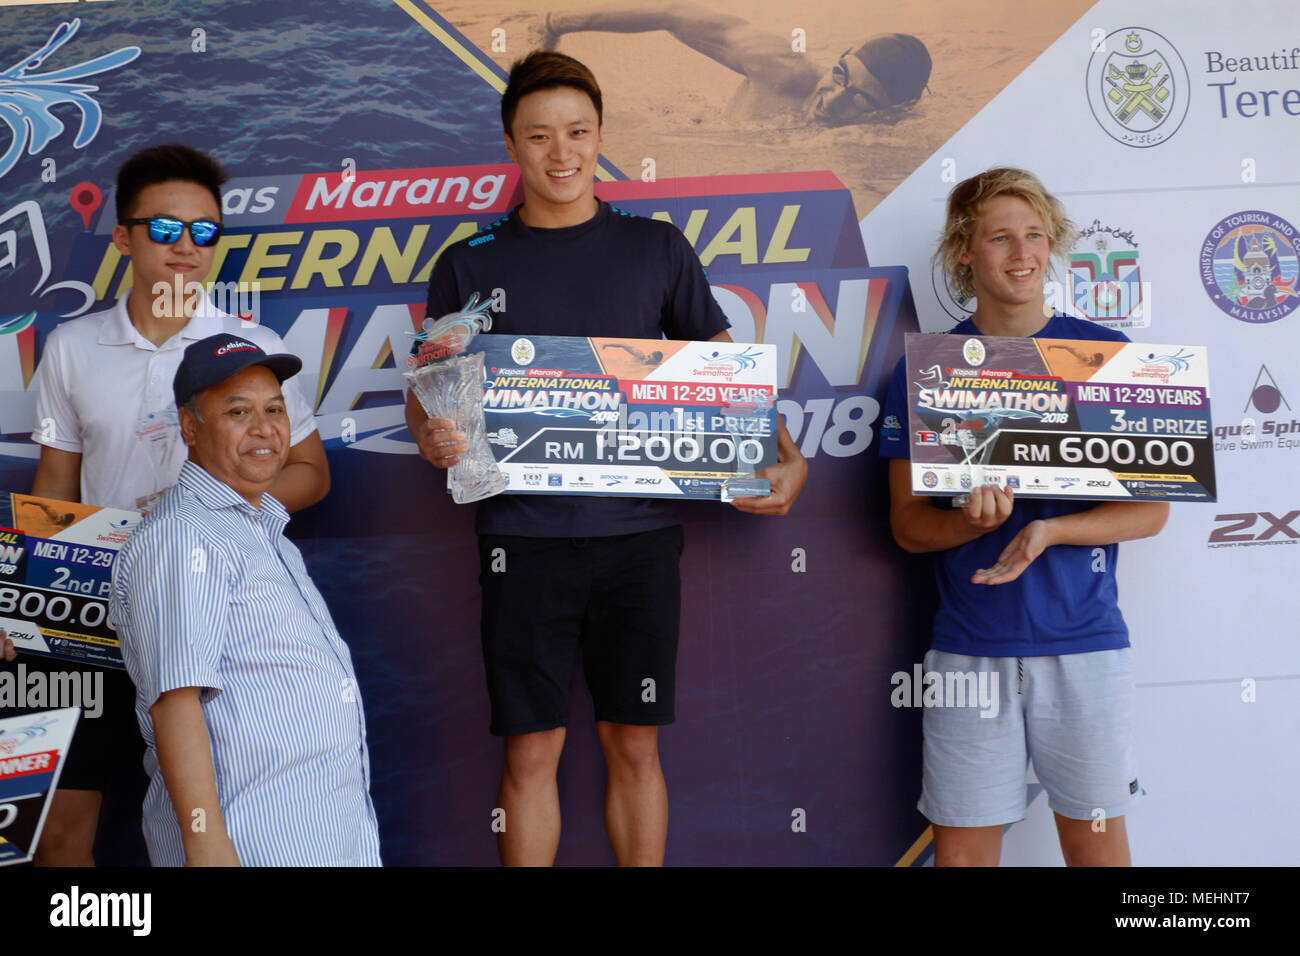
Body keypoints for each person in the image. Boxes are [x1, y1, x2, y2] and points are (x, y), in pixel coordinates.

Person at [405, 50, 808, 866]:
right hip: (521, 542)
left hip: (639, 541)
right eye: (541, 136)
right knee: (529, 753)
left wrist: (788, 458)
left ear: (599, 136)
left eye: (579, 133)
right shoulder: (469, 262)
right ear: (512, 146)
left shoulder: (657, 250)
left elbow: (726, 379)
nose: (563, 154)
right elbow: (430, 391)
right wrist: (430, 432)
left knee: (635, 746)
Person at [1, 144, 329, 866]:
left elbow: (311, 473)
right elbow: (55, 482)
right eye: (165, 229)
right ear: (122, 236)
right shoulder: (72, 346)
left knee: (208, 830)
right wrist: (22, 606)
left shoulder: (251, 347)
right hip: (86, 616)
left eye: (205, 231)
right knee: (56, 839)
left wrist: (204, 509)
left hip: (212, 614)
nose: (187, 247)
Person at [879, 167, 1169, 866]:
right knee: (965, 857)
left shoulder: (1106, 359)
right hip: (970, 646)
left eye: (1035, 236)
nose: (1023, 253)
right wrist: (972, 526)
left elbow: (1153, 510)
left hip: (1087, 643)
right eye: (1001, 237)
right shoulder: (932, 371)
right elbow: (908, 526)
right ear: (963, 254)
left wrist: (1052, 529)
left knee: (1099, 852)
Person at [110, 333, 380, 866]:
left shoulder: (262, 531)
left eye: (274, 409)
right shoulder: (184, 537)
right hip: (250, 846)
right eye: (238, 411)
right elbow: (175, 700)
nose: (265, 429)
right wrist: (207, 847)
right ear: (190, 426)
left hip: (320, 841)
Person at [538, 2, 931, 125]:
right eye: (840, 75)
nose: (832, 100)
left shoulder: (886, 136)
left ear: (891, 112)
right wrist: (558, 24)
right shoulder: (784, 71)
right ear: (839, 57)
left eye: (859, 100)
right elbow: (672, 14)